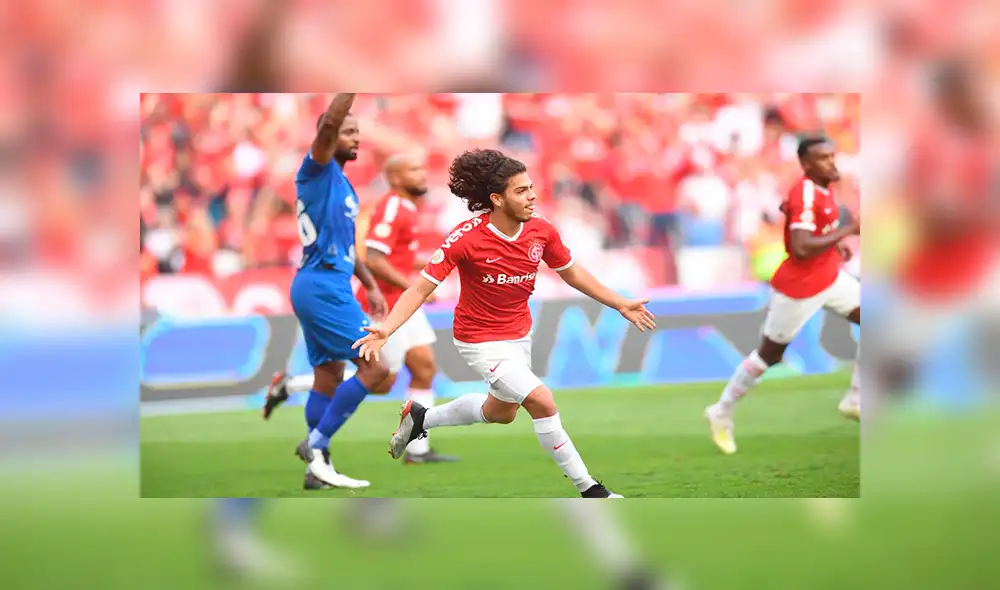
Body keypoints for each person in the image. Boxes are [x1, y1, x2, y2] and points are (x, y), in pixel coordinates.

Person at [353, 148, 656, 498]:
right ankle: (590, 489)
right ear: (496, 199)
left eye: (531, 188)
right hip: (479, 339)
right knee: (542, 401)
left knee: (500, 412)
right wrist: (387, 328)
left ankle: (422, 418)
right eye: (521, 190)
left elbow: (571, 273)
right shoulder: (465, 237)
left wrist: (618, 302)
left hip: (518, 336)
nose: (532, 196)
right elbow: (420, 287)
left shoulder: (541, 231)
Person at [264, 153, 460, 465]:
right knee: (380, 382)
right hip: (388, 306)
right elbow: (373, 258)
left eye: (422, 168)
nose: (422, 175)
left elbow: (397, 257)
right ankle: (294, 388)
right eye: (413, 169)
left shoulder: (408, 208)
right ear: (395, 178)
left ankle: (418, 451)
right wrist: (417, 288)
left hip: (404, 304)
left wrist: (443, 261)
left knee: (423, 369)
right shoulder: (393, 207)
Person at [705, 136, 861, 455]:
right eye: (824, 158)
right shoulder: (805, 192)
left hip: (829, 275)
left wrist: (833, 242)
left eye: (833, 156)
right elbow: (801, 247)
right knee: (768, 356)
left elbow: (806, 225)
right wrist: (847, 230)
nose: (832, 163)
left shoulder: (821, 185)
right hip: (801, 286)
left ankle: (856, 398)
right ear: (806, 164)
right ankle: (720, 411)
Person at [285, 93, 390, 488]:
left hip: (321, 282)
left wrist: (369, 283)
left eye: (358, 132)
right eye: (349, 131)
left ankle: (318, 471)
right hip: (323, 284)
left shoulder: (342, 186)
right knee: (376, 367)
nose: (355, 137)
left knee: (328, 376)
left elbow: (348, 247)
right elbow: (329, 123)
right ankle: (316, 444)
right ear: (328, 136)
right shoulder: (316, 169)